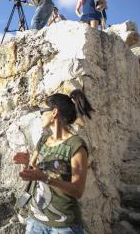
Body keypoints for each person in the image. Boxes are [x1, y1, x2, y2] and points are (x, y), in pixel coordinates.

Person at [13, 89, 94, 234]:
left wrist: (45, 178)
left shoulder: (76, 146)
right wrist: (25, 164)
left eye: (42, 111)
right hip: (35, 220)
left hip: (63, 226)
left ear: (54, 112)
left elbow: (78, 191)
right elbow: (31, 173)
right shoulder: (44, 140)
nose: (40, 115)